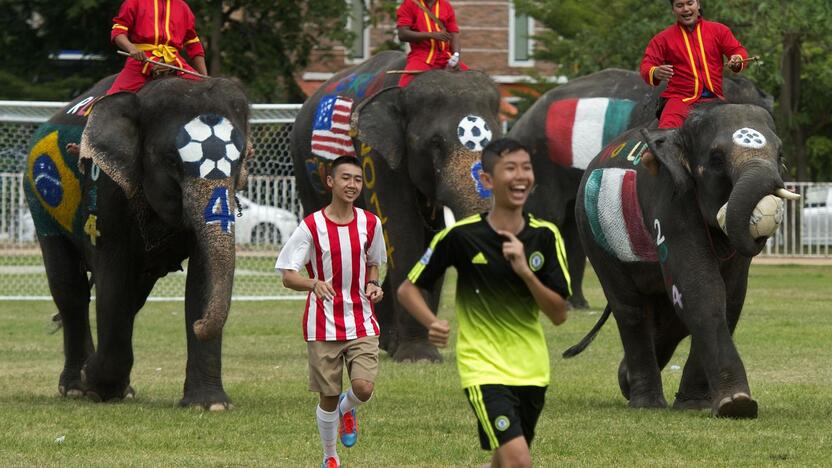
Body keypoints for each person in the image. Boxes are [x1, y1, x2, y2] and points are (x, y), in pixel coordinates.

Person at [397, 138, 571, 468]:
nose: (521, 176)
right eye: (510, 169)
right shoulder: (460, 237)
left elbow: (559, 314)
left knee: (505, 461)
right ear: (488, 180)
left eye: (526, 168)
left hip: (532, 370)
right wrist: (432, 322)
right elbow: (408, 289)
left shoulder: (545, 237)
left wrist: (526, 273)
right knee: (520, 460)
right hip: (483, 366)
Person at [276, 156, 385, 468]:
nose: (352, 185)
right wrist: (313, 283)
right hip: (323, 325)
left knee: (363, 388)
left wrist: (373, 283)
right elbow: (287, 275)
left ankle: (347, 408)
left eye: (357, 180)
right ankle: (330, 457)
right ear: (330, 182)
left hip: (362, 320)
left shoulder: (370, 223)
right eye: (345, 178)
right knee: (326, 396)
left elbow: (374, 261)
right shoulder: (311, 227)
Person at [640, 0, 748, 128]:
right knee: (666, 134)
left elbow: (737, 50)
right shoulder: (662, 39)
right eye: (679, 5)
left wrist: (737, 59)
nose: (685, 9)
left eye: (690, 3)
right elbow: (646, 66)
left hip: (716, 99)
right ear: (673, 10)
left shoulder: (719, 30)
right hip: (679, 101)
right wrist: (655, 72)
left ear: (698, 4)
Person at [107, 0, 208, 95]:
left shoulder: (183, 7)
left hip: (176, 63)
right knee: (112, 101)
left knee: (204, 95)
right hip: (140, 62)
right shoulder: (134, 2)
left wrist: (206, 79)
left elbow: (194, 44)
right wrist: (131, 48)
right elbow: (118, 31)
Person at [396, 0, 468, 87]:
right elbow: (402, 34)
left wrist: (456, 56)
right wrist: (431, 35)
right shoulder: (409, 3)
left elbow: (454, 33)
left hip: (446, 57)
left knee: (471, 82)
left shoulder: (446, 5)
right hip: (421, 57)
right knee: (404, 86)